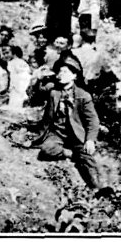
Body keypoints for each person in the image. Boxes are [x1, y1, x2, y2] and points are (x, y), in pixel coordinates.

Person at [33, 53, 102, 189]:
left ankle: (99, 187)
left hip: (76, 134)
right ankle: (72, 154)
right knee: (46, 149)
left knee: (87, 157)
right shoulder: (53, 90)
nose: (61, 74)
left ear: (74, 75)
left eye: (65, 72)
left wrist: (90, 139)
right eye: (60, 71)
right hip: (57, 133)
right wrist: (38, 79)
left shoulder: (83, 96)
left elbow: (93, 120)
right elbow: (37, 93)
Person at [74, 28, 118, 101]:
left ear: (81, 40)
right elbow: (107, 70)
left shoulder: (74, 52)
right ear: (94, 41)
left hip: (74, 84)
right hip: (89, 86)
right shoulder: (98, 55)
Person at [6, 45, 32, 112]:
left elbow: (12, 75)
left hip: (16, 83)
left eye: (8, 53)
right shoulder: (23, 62)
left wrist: (10, 86)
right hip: (24, 83)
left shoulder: (11, 63)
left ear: (13, 53)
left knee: (14, 100)